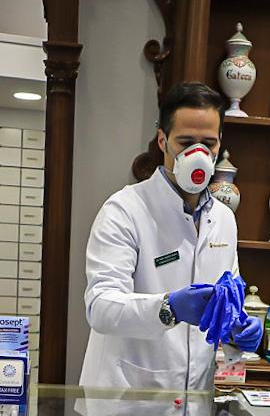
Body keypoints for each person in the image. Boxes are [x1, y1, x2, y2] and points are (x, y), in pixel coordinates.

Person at [81, 81, 260, 392]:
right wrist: (169, 308)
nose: (199, 154)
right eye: (186, 142)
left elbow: (224, 302)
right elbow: (101, 307)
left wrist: (234, 330)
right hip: (127, 403)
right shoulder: (124, 210)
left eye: (208, 143)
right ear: (162, 140)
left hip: (193, 404)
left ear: (220, 143)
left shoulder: (224, 219)